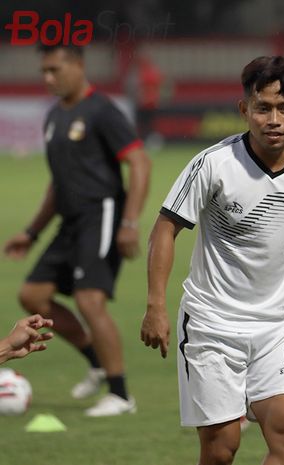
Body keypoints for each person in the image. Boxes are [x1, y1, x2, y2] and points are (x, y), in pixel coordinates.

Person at [140, 56, 284, 465]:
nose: (273, 119)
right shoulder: (213, 164)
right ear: (244, 110)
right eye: (262, 108)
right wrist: (156, 305)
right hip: (211, 324)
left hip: (276, 326)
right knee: (221, 449)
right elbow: (165, 228)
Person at [3, 44, 151, 417]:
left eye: (55, 69)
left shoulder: (102, 111)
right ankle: (96, 362)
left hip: (99, 216)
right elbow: (58, 183)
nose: (48, 78)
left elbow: (140, 162)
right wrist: (32, 232)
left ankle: (121, 395)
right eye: (44, 72)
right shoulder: (53, 116)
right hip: (69, 222)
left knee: (89, 300)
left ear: (79, 66)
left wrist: (129, 223)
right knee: (33, 295)